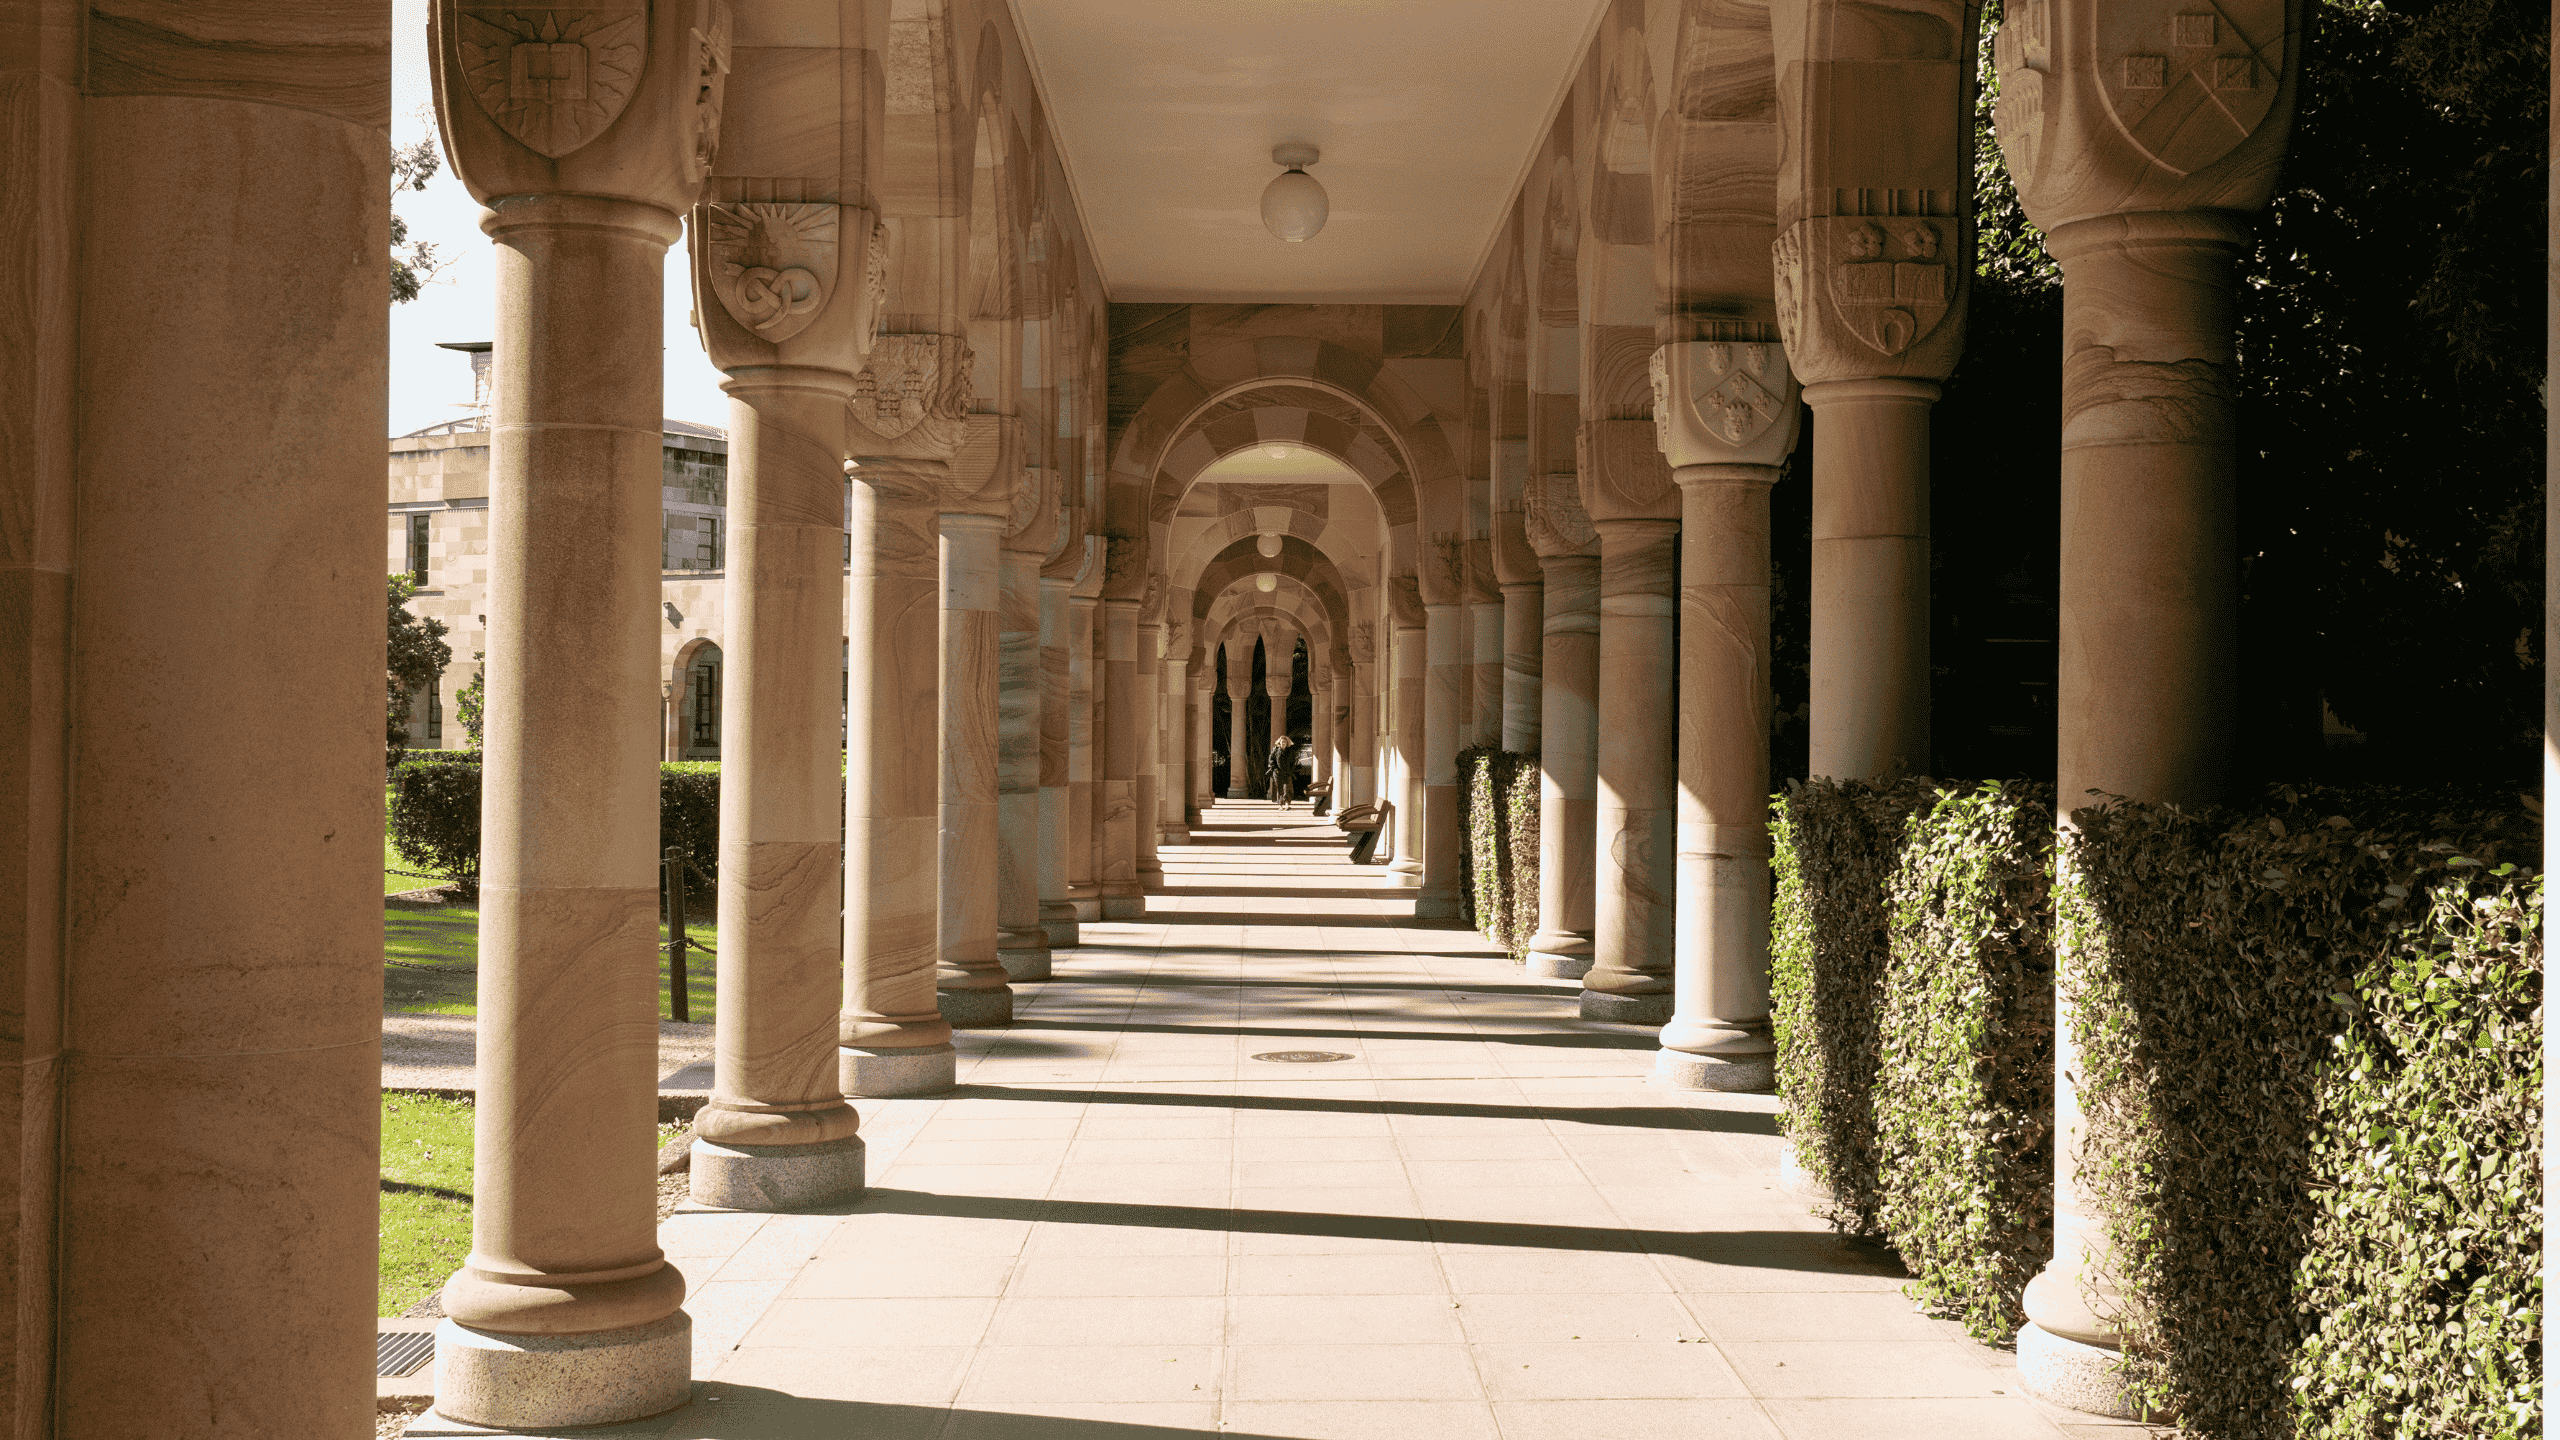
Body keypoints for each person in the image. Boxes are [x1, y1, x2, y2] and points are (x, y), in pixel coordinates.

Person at [1265, 733, 1298, 808]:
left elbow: (1293, 761)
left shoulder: (1290, 751)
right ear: (1279, 743)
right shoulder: (1276, 750)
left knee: (1287, 788)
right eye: (1282, 742)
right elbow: (1271, 760)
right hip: (1278, 773)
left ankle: (1286, 803)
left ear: (1287, 743)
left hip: (1287, 773)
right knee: (1279, 789)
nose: (1283, 744)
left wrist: (1291, 770)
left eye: (1285, 742)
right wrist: (1275, 769)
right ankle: (1280, 804)